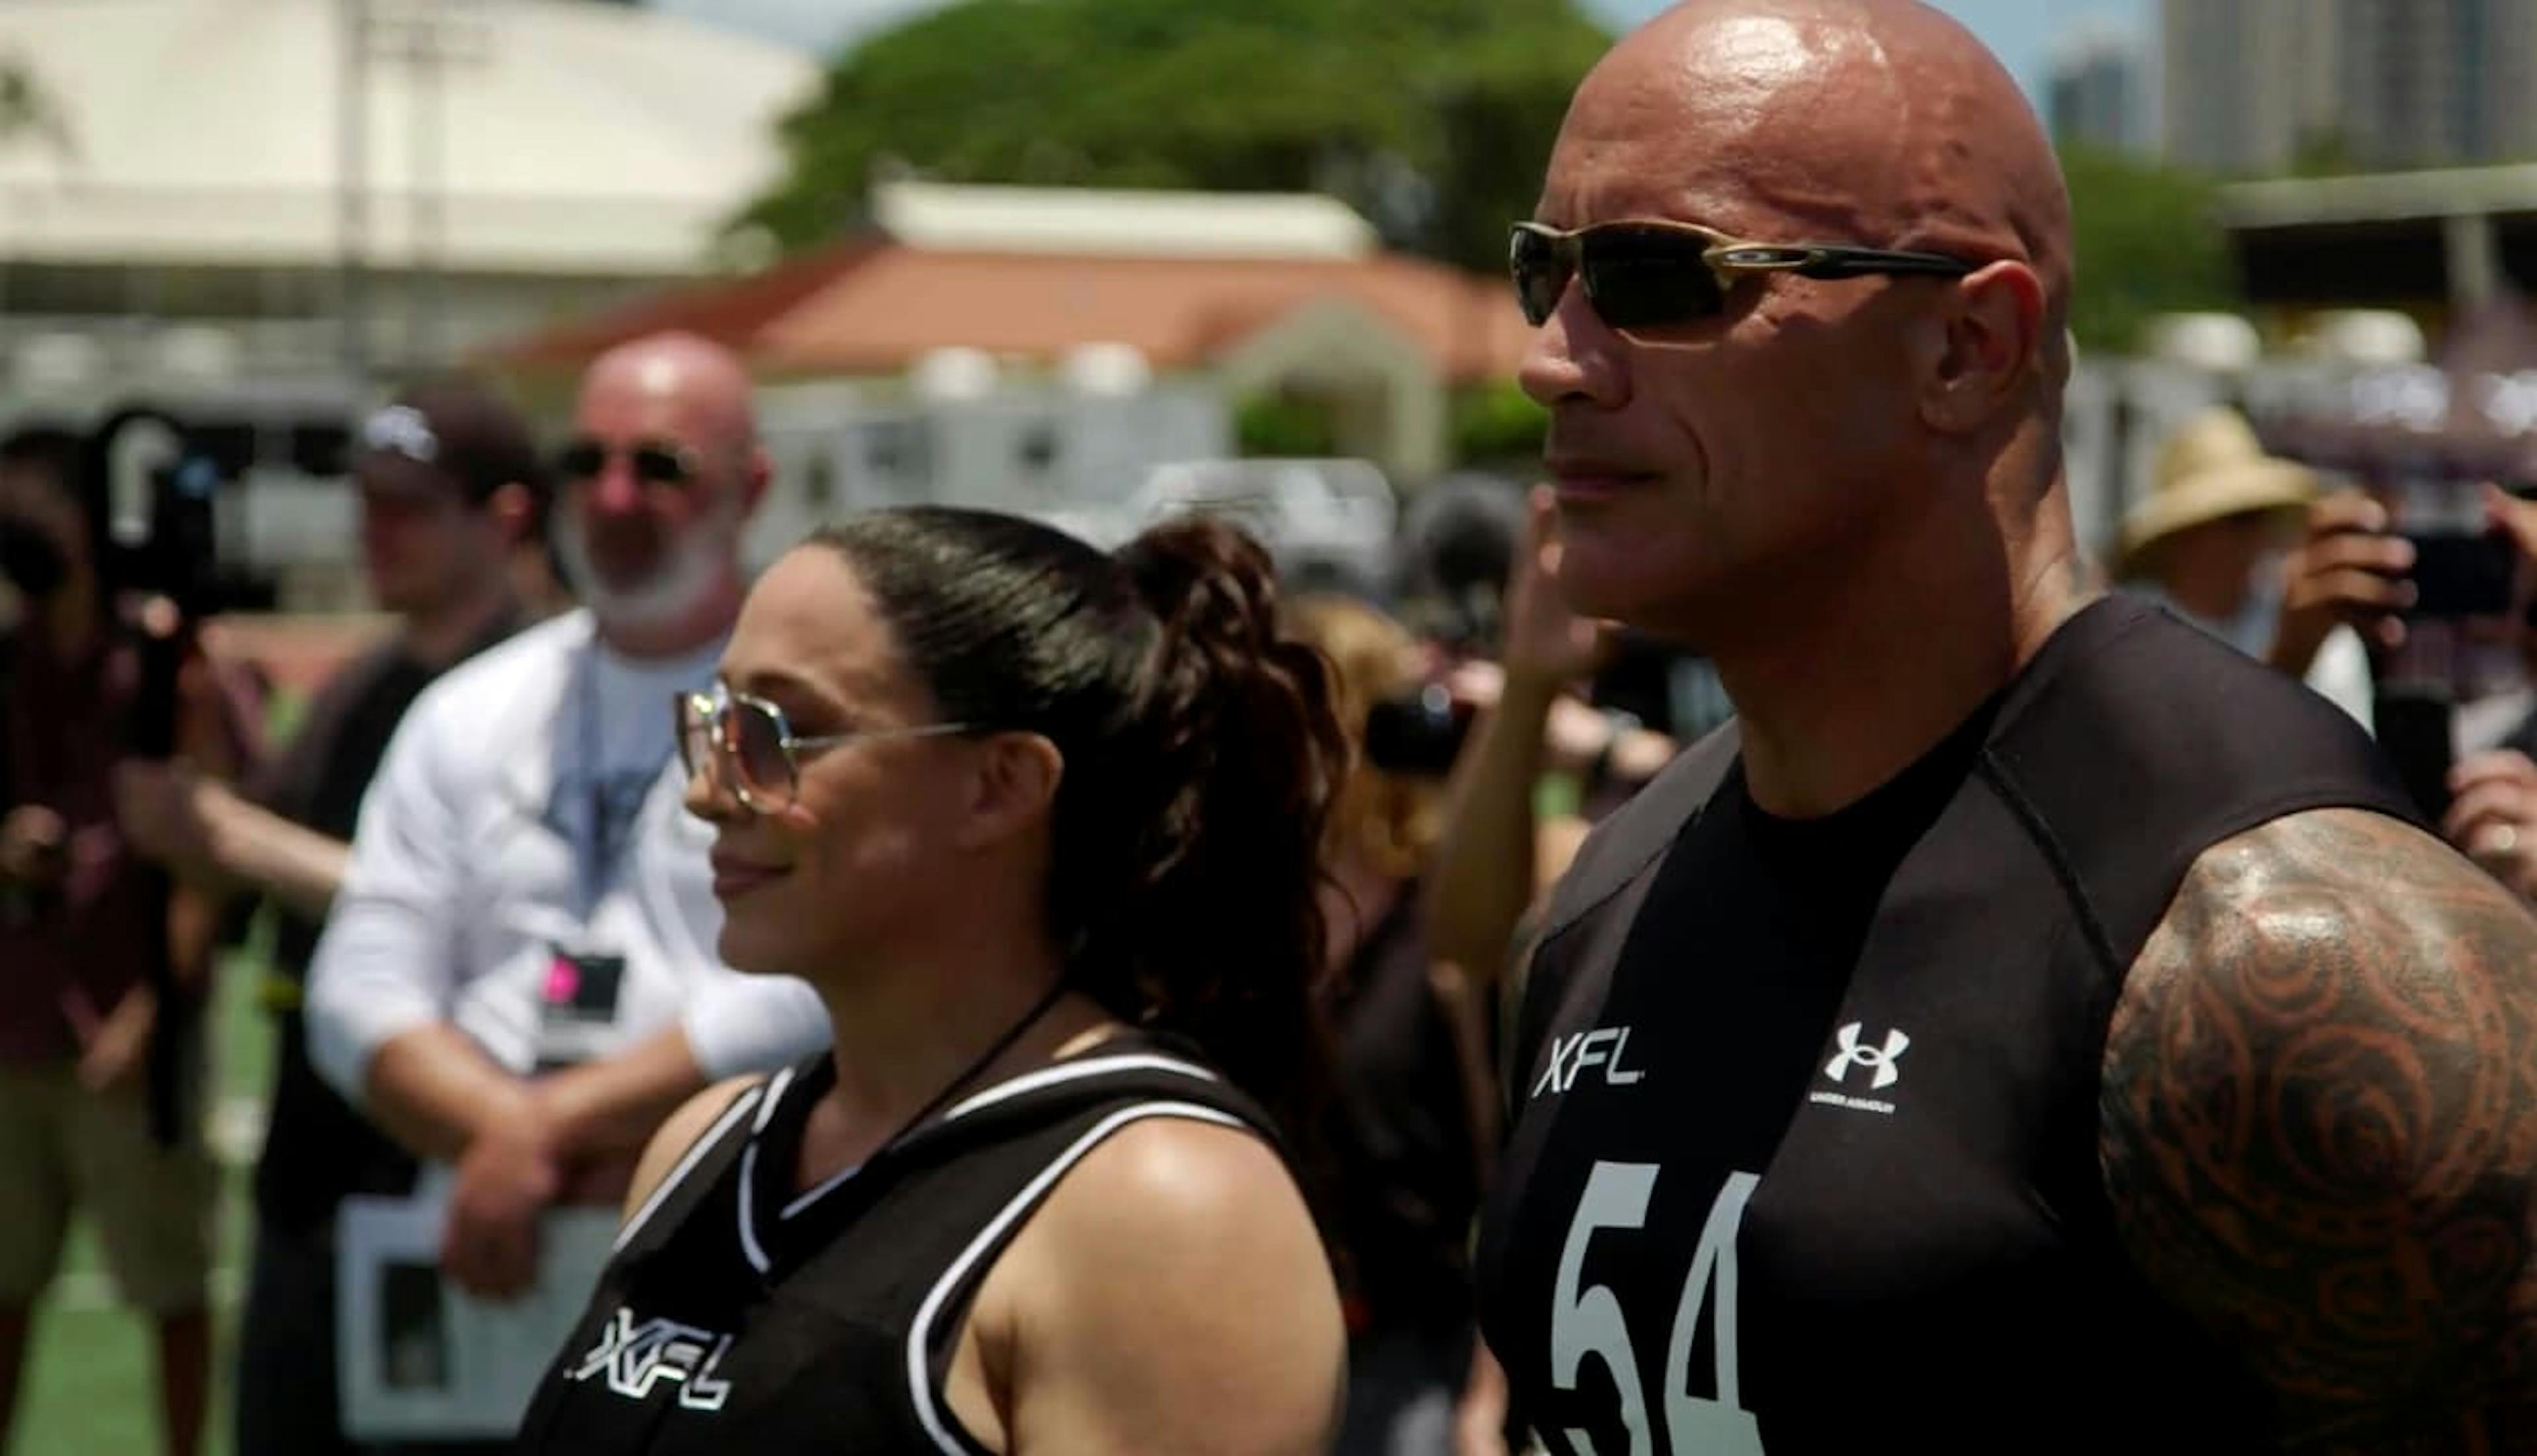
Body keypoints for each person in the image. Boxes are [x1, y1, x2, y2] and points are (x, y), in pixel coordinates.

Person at [1473, 3, 2537, 1453]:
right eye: (1551, 273)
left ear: (1967, 346)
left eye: (1662, 279)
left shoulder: (2291, 963)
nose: (1555, 359)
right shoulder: (1602, 904)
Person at [513, 505, 1347, 1453]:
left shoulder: (1158, 1207)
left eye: (779, 731)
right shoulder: (705, 1147)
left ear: (1000, 785)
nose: (708, 791)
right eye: (712, 722)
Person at [302, 333, 832, 1446]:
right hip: (480, 1249)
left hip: (718, 1252)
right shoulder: (470, 709)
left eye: (663, 466)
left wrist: (544, 1131)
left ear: (754, 486)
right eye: (586, 463)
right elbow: (358, 986)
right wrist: (505, 1137)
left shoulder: (800, 715)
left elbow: (819, 988)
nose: (615, 496)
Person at [113, 379, 544, 1455]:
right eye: (366, 502)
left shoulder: (546, 693)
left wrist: (227, 835)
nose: (374, 531)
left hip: (439, 1172)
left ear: (505, 519)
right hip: (314, 1171)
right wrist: (197, 716)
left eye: (410, 506)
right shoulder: (363, 680)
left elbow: (479, 911)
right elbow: (244, 837)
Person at [0, 423, 262, 1456]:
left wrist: (154, 1014)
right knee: (7, 1283)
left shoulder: (165, 660)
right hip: (17, 1028)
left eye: (33, 507)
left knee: (172, 1286)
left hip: (132, 1036)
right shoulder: (8, 663)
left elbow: (216, 840)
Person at [1286, 592, 1501, 1455]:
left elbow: (1509, 1172)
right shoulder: (1248, 928)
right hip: (1277, 1346)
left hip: (1417, 1354)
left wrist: (1489, 1396)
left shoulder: (1444, 921)